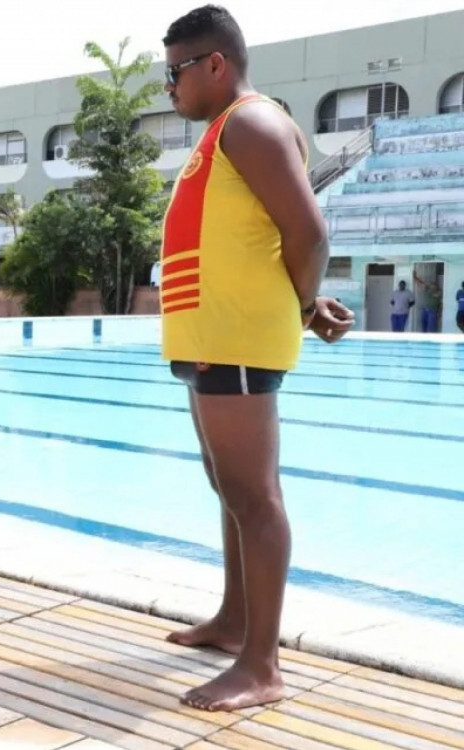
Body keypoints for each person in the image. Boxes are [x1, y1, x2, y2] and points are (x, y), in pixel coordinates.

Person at [158, 5, 355, 712]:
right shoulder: (222, 134)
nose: (168, 88)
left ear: (215, 64)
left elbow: (308, 231)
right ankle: (235, 619)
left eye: (175, 72)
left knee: (254, 495)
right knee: (228, 486)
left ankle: (263, 665)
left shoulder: (252, 123)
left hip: (238, 338)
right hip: (213, 340)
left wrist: (304, 305)